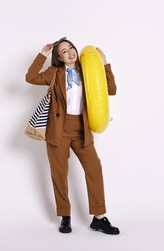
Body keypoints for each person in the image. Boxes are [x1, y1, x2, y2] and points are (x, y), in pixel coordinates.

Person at [25, 37, 120, 235]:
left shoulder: (87, 71)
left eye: (71, 48)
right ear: (58, 57)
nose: (70, 52)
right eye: (64, 51)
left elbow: (111, 90)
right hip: (58, 129)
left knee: (94, 168)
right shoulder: (54, 72)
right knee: (59, 174)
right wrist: (42, 56)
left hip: (81, 129)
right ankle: (65, 216)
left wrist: (104, 65)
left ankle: (99, 218)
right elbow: (30, 78)